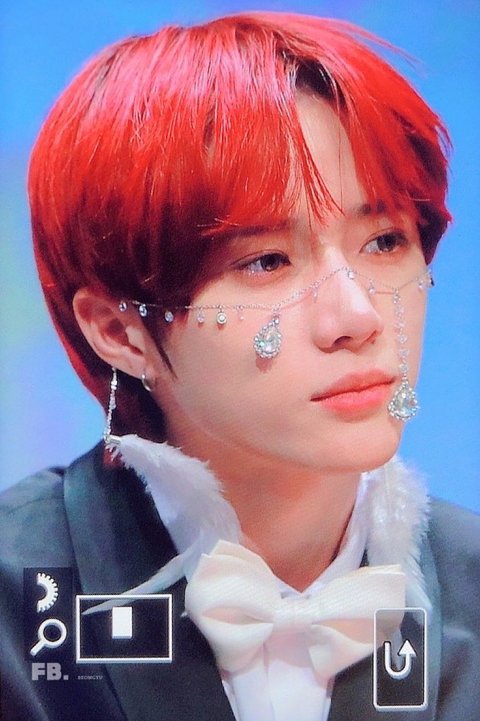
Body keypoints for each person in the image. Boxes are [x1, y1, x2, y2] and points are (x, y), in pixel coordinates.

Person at [1, 11, 479, 721]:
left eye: (384, 242)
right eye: (267, 261)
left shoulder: (471, 587)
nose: (357, 317)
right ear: (119, 331)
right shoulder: (15, 602)